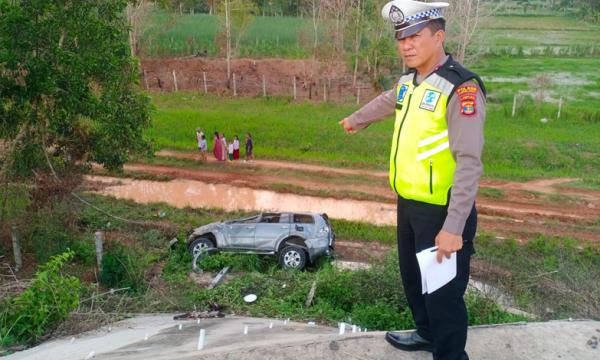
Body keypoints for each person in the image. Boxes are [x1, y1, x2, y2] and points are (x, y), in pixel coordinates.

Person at [339, 1, 486, 359]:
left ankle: (450, 354)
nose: (406, 45)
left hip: (442, 210)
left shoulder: (460, 89)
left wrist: (453, 227)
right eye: (401, 38)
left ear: (439, 36)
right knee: (414, 279)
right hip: (409, 203)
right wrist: (357, 119)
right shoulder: (411, 81)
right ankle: (425, 333)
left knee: (443, 293)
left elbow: (469, 162)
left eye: (414, 36)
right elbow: (389, 100)